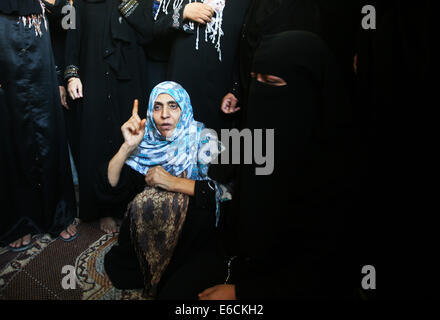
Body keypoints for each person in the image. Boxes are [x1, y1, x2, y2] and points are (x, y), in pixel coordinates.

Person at [199, 31, 360, 299]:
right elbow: (220, 174)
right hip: (236, 257)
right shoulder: (255, 134)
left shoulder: (336, 164)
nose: (260, 92)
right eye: (255, 80)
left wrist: (243, 292)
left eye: (272, 82)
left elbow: (326, 268)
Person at [96, 81, 230, 298]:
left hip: (193, 237)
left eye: (173, 106)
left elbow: (224, 193)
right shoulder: (146, 141)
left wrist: (172, 182)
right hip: (149, 237)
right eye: (157, 107)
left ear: (184, 108)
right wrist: (127, 147)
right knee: (124, 272)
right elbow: (111, 187)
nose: (164, 114)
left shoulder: (204, 139)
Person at [65, 0, 154, 233]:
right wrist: (71, 74)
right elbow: (71, 31)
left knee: (128, 137)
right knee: (95, 138)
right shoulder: (78, 2)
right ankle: (102, 207)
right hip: (93, 73)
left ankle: (126, 204)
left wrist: (128, 5)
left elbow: (149, 34)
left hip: (130, 77)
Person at [0, 0, 78, 251]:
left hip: (39, 35)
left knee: (48, 126)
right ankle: (19, 220)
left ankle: (60, 213)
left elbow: (68, 18)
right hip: (3, 38)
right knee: (10, 129)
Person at [153, 0, 251, 132]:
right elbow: (155, 32)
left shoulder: (244, 4)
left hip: (223, 98)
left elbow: (247, 48)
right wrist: (182, 13)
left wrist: (235, 89)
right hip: (180, 96)